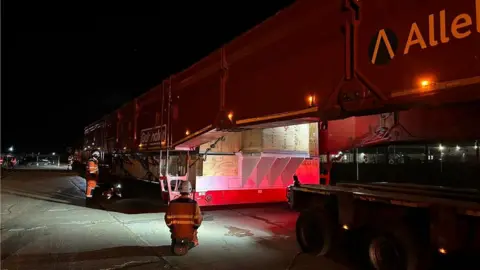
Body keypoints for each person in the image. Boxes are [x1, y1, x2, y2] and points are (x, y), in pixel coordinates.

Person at [164, 181, 203, 247]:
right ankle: (192, 243)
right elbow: (198, 220)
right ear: (190, 191)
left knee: (175, 235)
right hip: (189, 234)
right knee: (195, 239)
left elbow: (167, 219)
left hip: (176, 233)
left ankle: (175, 241)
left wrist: (172, 228)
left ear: (180, 190)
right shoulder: (194, 204)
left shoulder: (172, 204)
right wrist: (195, 228)